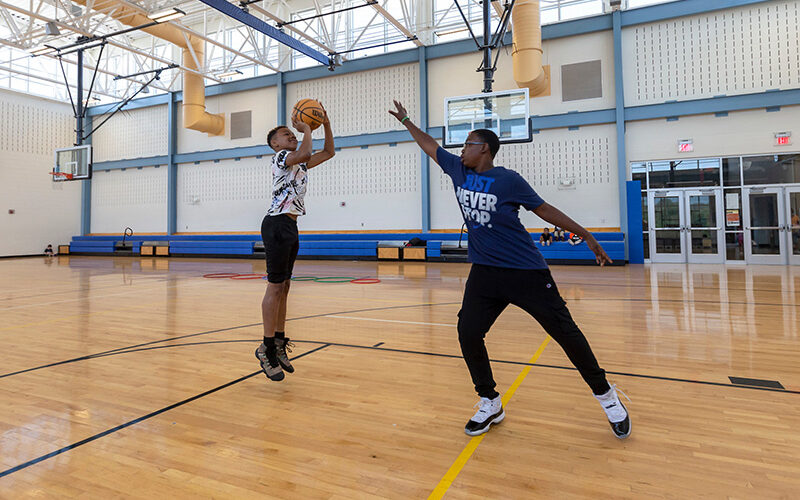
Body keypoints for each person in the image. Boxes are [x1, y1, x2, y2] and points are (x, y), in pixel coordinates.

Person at [389, 100, 630, 439]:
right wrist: (406, 120)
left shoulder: (508, 181)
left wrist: (587, 235)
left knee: (566, 334)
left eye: (468, 144)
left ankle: (606, 396)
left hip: (525, 272)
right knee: (468, 332)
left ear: (484, 149)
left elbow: (544, 210)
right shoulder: (459, 170)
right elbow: (431, 146)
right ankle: (490, 401)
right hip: (485, 273)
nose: (461, 150)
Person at [256, 108, 335, 381]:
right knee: (275, 286)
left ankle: (278, 341)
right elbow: (303, 153)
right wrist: (307, 130)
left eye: (292, 133)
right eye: (286, 134)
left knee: (285, 287)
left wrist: (325, 124)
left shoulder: (298, 163)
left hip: (290, 225)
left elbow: (328, 153)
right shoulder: (281, 158)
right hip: (276, 224)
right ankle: (266, 348)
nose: (291, 135)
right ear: (275, 144)